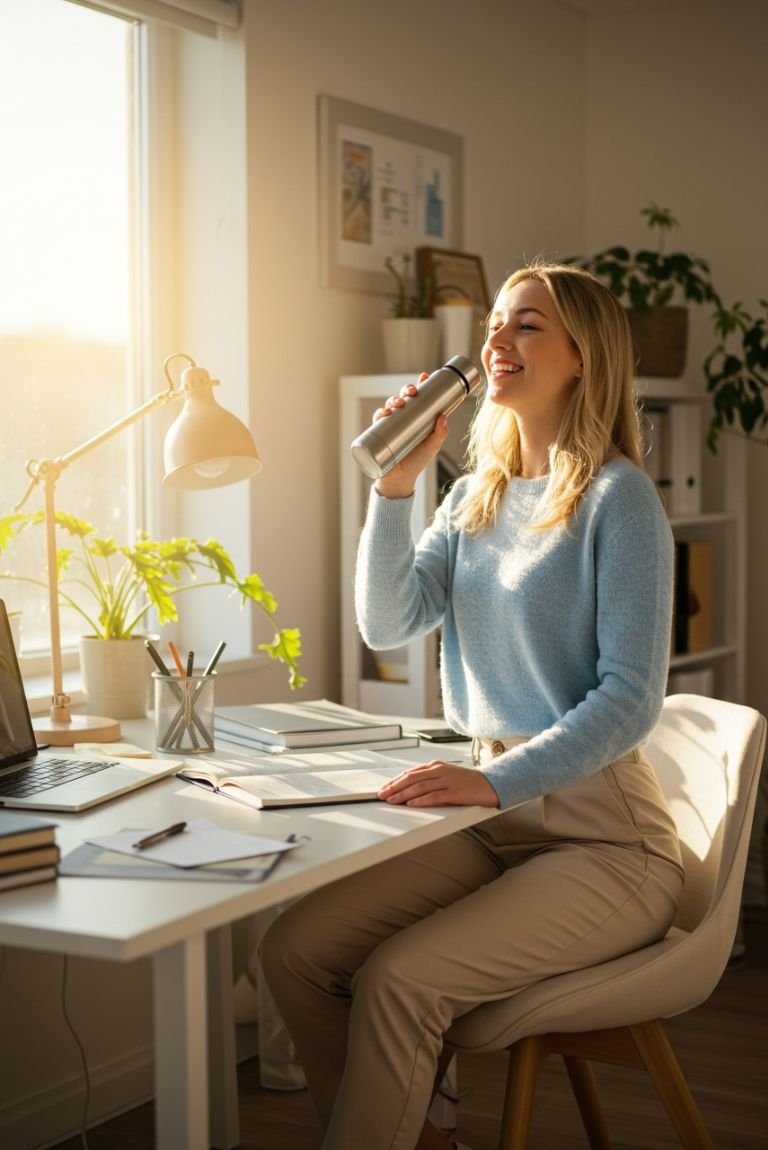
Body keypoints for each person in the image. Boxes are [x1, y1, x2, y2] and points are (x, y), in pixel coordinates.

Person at [260, 262, 684, 1150]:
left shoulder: (620, 501)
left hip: (605, 839)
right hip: (489, 822)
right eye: (496, 323)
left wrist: (493, 786)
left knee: (401, 982)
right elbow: (386, 623)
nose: (497, 341)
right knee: (293, 952)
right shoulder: (471, 497)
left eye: (526, 325)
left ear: (582, 357)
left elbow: (631, 700)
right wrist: (394, 488)